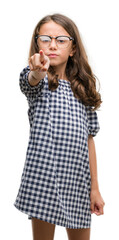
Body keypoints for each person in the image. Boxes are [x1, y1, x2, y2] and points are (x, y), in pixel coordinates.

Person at [14, 13, 105, 240]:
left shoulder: (82, 90)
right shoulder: (39, 81)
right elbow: (30, 80)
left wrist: (95, 188)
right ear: (37, 44)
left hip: (77, 180)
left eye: (61, 40)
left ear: (73, 48)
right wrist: (37, 71)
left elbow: (89, 140)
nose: (52, 45)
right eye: (45, 39)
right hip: (44, 177)